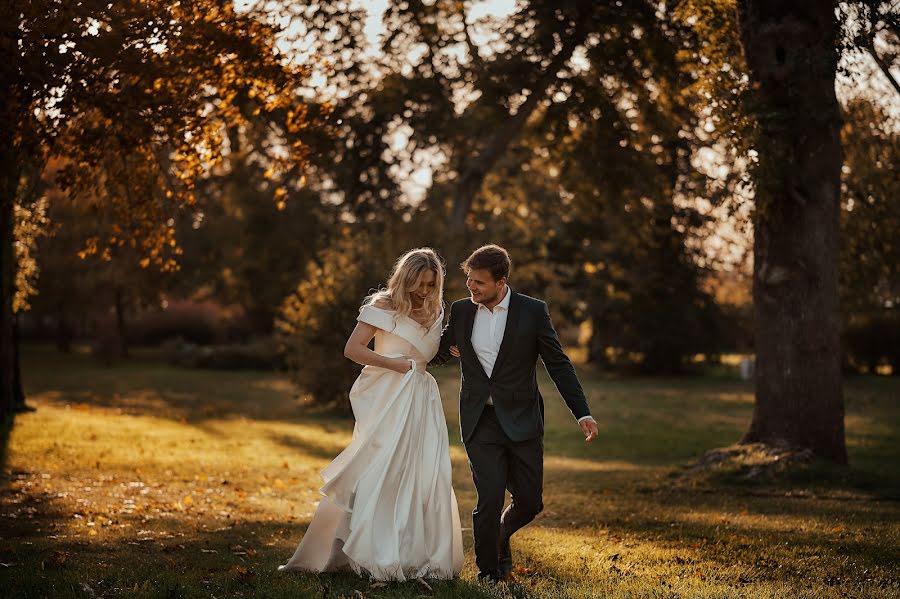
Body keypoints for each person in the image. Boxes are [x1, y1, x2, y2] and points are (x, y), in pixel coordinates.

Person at [278, 248, 463, 581]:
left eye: (431, 284)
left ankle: (414, 553)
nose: (424, 291)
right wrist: (394, 364)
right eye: (419, 283)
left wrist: (452, 350)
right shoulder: (382, 306)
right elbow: (353, 350)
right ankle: (356, 548)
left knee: (422, 471)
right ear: (406, 277)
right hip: (388, 396)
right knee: (380, 467)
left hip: (421, 398)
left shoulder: (436, 310)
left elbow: (429, 354)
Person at [430, 244, 599, 582]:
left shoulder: (532, 312)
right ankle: (489, 572)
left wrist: (581, 412)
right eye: (469, 280)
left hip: (522, 420)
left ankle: (501, 536)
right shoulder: (462, 311)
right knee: (489, 497)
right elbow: (435, 351)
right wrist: (413, 351)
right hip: (480, 420)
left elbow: (558, 364)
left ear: (501, 282)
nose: (471, 287)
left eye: (479, 282)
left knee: (530, 501)